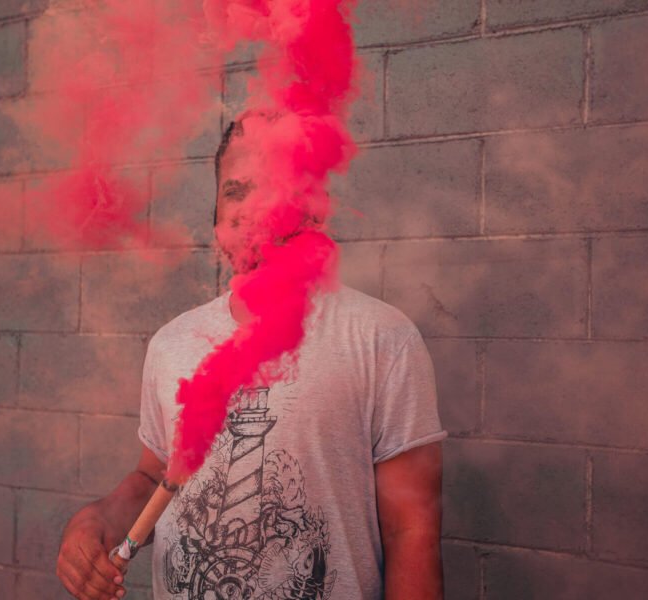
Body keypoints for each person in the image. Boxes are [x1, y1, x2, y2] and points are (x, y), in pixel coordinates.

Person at [56, 114, 446, 600]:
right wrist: (95, 519)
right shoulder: (173, 343)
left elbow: (412, 533)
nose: (251, 211)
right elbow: (154, 477)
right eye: (235, 192)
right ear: (215, 211)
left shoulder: (378, 337)